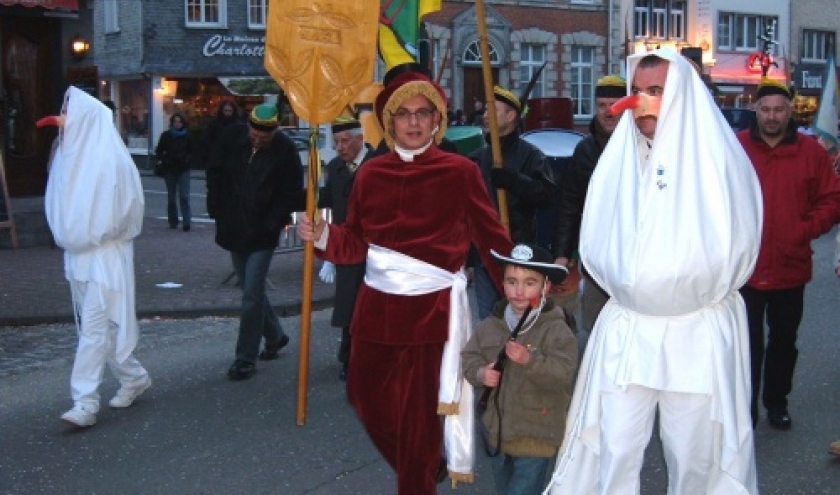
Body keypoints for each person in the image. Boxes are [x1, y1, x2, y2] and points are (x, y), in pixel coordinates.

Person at [544, 49, 762, 495]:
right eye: (636, 91)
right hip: (630, 330)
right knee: (614, 447)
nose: (639, 102)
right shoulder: (618, 159)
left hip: (694, 332)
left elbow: (737, 240)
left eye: (656, 91)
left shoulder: (718, 160)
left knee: (695, 455)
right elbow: (598, 230)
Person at [297, 70, 512, 494]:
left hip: (431, 313)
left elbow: (492, 238)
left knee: (417, 425)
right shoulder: (370, 175)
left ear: (437, 121)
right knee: (365, 399)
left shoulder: (460, 171)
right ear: (390, 122)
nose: (413, 123)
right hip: (375, 309)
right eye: (404, 115)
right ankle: (426, 465)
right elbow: (355, 242)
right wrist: (322, 235)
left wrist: (520, 289)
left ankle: (418, 474)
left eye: (423, 114)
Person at [36, 87, 151, 428]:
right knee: (102, 326)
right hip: (78, 256)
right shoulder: (67, 158)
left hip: (105, 257)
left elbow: (129, 209)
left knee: (94, 329)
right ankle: (133, 376)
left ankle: (84, 401)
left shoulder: (110, 159)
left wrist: (95, 232)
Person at [735, 78, 840, 430]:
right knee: (746, 347)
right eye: (765, 109)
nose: (771, 116)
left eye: (779, 109)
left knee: (784, 343)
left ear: (790, 111)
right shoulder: (736, 148)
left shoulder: (811, 153)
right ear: (755, 110)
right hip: (745, 268)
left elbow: (832, 198)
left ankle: (777, 402)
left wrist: (806, 228)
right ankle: (743, 408)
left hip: (790, 266)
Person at [462, 243, 576, 495]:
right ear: (502, 283)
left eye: (529, 282)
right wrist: (481, 373)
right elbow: (469, 358)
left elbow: (564, 373)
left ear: (545, 287)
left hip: (537, 436)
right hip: (498, 434)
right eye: (512, 281)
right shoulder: (491, 325)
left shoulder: (556, 329)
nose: (519, 291)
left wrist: (530, 360)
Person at [210, 103, 303, 381]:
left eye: (264, 137)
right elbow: (215, 172)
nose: (257, 139)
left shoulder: (285, 151)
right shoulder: (233, 138)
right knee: (252, 291)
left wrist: (273, 221)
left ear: (275, 131)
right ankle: (275, 335)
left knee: (251, 292)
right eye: (254, 134)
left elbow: (290, 193)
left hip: (262, 231)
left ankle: (245, 358)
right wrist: (217, 208)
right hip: (234, 225)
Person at [552, 76, 626, 350]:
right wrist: (562, 253)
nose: (608, 112)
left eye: (614, 105)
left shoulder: (641, 146)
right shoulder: (584, 151)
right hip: (596, 254)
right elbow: (569, 204)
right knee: (595, 325)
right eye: (601, 105)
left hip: (632, 252)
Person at [470, 85, 555, 320]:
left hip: (519, 251)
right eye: (485, 111)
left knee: (519, 315)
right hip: (485, 254)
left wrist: (514, 180)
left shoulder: (531, 156)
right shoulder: (478, 158)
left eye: (492, 110)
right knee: (489, 320)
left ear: (511, 116)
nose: (485, 116)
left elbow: (546, 196)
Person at [317, 115, 375, 381]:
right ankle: (348, 355)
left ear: (360, 139)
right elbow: (327, 204)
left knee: (371, 305)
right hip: (346, 247)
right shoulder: (335, 169)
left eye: (345, 141)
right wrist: (327, 251)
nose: (340, 147)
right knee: (349, 303)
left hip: (375, 249)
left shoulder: (376, 166)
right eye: (336, 141)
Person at [154, 113, 192, 231]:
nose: (177, 124)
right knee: (171, 196)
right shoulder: (166, 135)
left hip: (183, 169)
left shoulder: (187, 136)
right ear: (172, 123)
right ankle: (173, 221)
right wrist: (165, 160)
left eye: (179, 122)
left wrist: (187, 159)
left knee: (184, 196)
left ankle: (186, 221)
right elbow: (159, 150)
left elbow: (193, 151)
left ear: (183, 123)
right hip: (169, 169)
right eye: (175, 121)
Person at [204, 100, 241, 218]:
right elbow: (207, 142)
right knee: (214, 189)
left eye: (230, 110)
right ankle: (215, 210)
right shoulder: (214, 125)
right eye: (225, 110)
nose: (227, 113)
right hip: (216, 163)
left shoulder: (238, 126)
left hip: (233, 163)